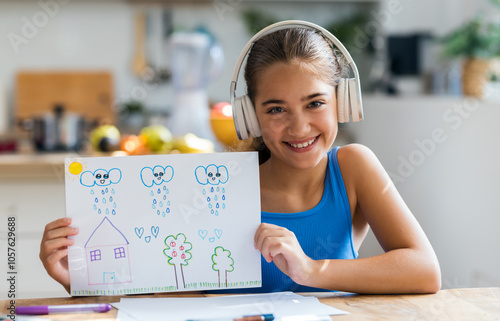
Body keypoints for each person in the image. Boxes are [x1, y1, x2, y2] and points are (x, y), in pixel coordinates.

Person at [40, 22, 441, 295]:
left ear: (342, 101)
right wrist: (79, 280)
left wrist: (313, 269)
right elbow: (166, 285)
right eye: (276, 109)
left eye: (315, 103)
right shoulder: (214, 187)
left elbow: (424, 270)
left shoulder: (353, 167)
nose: (299, 127)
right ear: (249, 116)